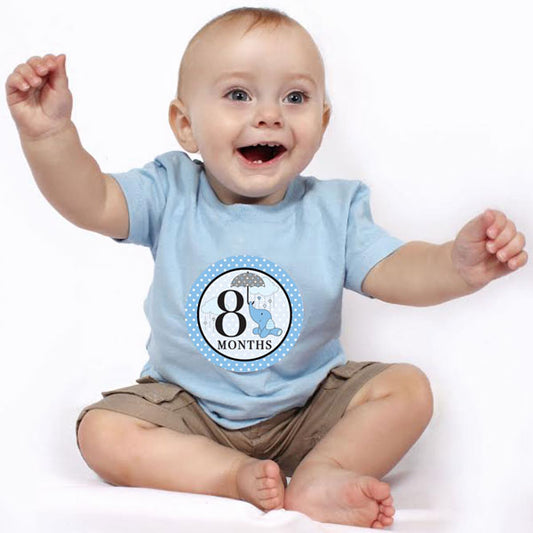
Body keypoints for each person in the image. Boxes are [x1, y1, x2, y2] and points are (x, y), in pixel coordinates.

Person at [6, 7, 527, 530]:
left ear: (322, 121)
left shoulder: (333, 211)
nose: (270, 115)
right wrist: (50, 137)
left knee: (408, 389)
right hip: (189, 411)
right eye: (239, 94)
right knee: (101, 431)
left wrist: (454, 265)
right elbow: (92, 200)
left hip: (308, 410)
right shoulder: (170, 191)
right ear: (185, 125)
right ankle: (227, 475)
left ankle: (323, 472)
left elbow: (396, 270)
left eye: (295, 98)